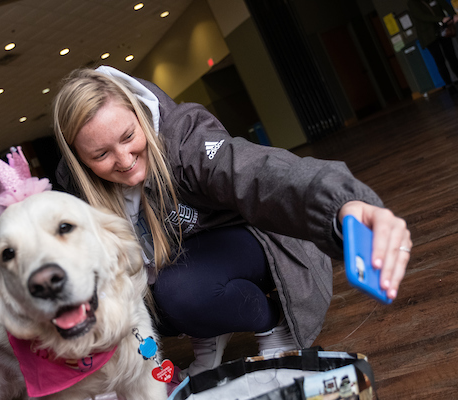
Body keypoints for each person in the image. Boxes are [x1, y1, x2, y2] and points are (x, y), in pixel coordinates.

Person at [51, 66, 411, 377]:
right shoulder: (76, 192)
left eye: (129, 137)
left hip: (256, 244)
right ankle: (208, 326)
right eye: (101, 154)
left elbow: (258, 173)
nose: (125, 159)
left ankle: (272, 322)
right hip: (185, 263)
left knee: (179, 292)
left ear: (139, 113)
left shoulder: (185, 140)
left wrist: (340, 202)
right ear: (80, 159)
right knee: (126, 300)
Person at [408, 0, 458, 94]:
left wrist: (453, 14)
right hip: (428, 35)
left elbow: (444, 4)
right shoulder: (412, 2)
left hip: (443, 30)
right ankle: (449, 84)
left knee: (451, 56)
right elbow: (421, 16)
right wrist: (441, 19)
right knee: (440, 60)